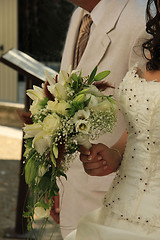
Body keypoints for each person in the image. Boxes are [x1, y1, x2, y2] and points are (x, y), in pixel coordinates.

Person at [64, 0, 160, 239]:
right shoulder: (149, 40)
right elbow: (144, 120)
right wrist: (115, 153)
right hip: (119, 205)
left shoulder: (136, 19)